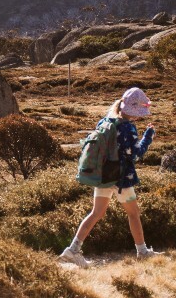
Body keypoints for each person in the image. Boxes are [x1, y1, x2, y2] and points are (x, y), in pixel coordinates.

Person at [60, 87, 160, 266]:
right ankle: (142, 251)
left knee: (96, 213)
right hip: (120, 177)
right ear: (133, 111)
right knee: (134, 214)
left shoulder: (105, 121)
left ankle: (72, 250)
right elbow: (135, 154)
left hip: (103, 174)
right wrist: (148, 138)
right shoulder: (128, 127)